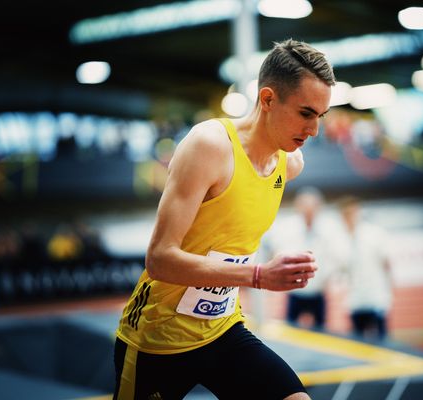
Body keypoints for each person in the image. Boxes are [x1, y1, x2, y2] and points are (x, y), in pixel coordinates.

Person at [113, 39, 335, 400]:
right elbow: (159, 259)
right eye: (306, 113)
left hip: (221, 330)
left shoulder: (290, 163)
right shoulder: (210, 146)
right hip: (156, 339)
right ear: (267, 100)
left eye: (320, 117)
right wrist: (259, 276)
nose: (314, 131)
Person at [265, 186, 336, 330]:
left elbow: (334, 257)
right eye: (304, 205)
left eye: (312, 205)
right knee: (291, 331)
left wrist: (327, 278)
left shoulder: (329, 229)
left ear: (318, 207)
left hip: (318, 290)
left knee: (321, 333)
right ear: (298, 207)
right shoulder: (287, 227)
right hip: (295, 291)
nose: (308, 210)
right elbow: (276, 251)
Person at [338, 196, 393, 341]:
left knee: (382, 342)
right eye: (346, 214)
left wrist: (388, 292)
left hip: (375, 297)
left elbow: (386, 263)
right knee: (358, 342)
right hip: (355, 300)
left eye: (352, 213)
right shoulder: (340, 239)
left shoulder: (374, 234)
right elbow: (341, 269)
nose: (349, 217)